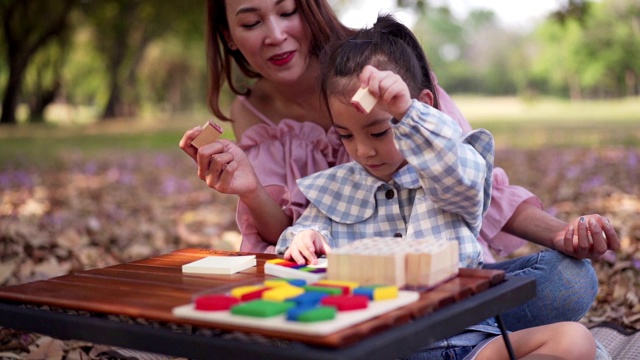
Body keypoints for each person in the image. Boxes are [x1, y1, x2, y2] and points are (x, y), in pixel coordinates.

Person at [179, 0, 619, 334]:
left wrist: (562, 233)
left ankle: (441, 334)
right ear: (230, 35)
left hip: (448, 274)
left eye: (287, 11)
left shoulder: (387, 64)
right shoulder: (254, 115)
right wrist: (251, 189)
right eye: (252, 22)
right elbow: (293, 231)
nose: (274, 34)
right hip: (349, 285)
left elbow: (472, 180)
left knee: (568, 279)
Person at [276, 15, 596, 360]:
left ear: (423, 106)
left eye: (379, 132)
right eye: (346, 135)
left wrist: (408, 115)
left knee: (573, 331)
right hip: (392, 345)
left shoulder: (449, 169)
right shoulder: (335, 188)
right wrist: (303, 239)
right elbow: (306, 232)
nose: (363, 150)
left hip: (475, 341)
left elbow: (455, 173)